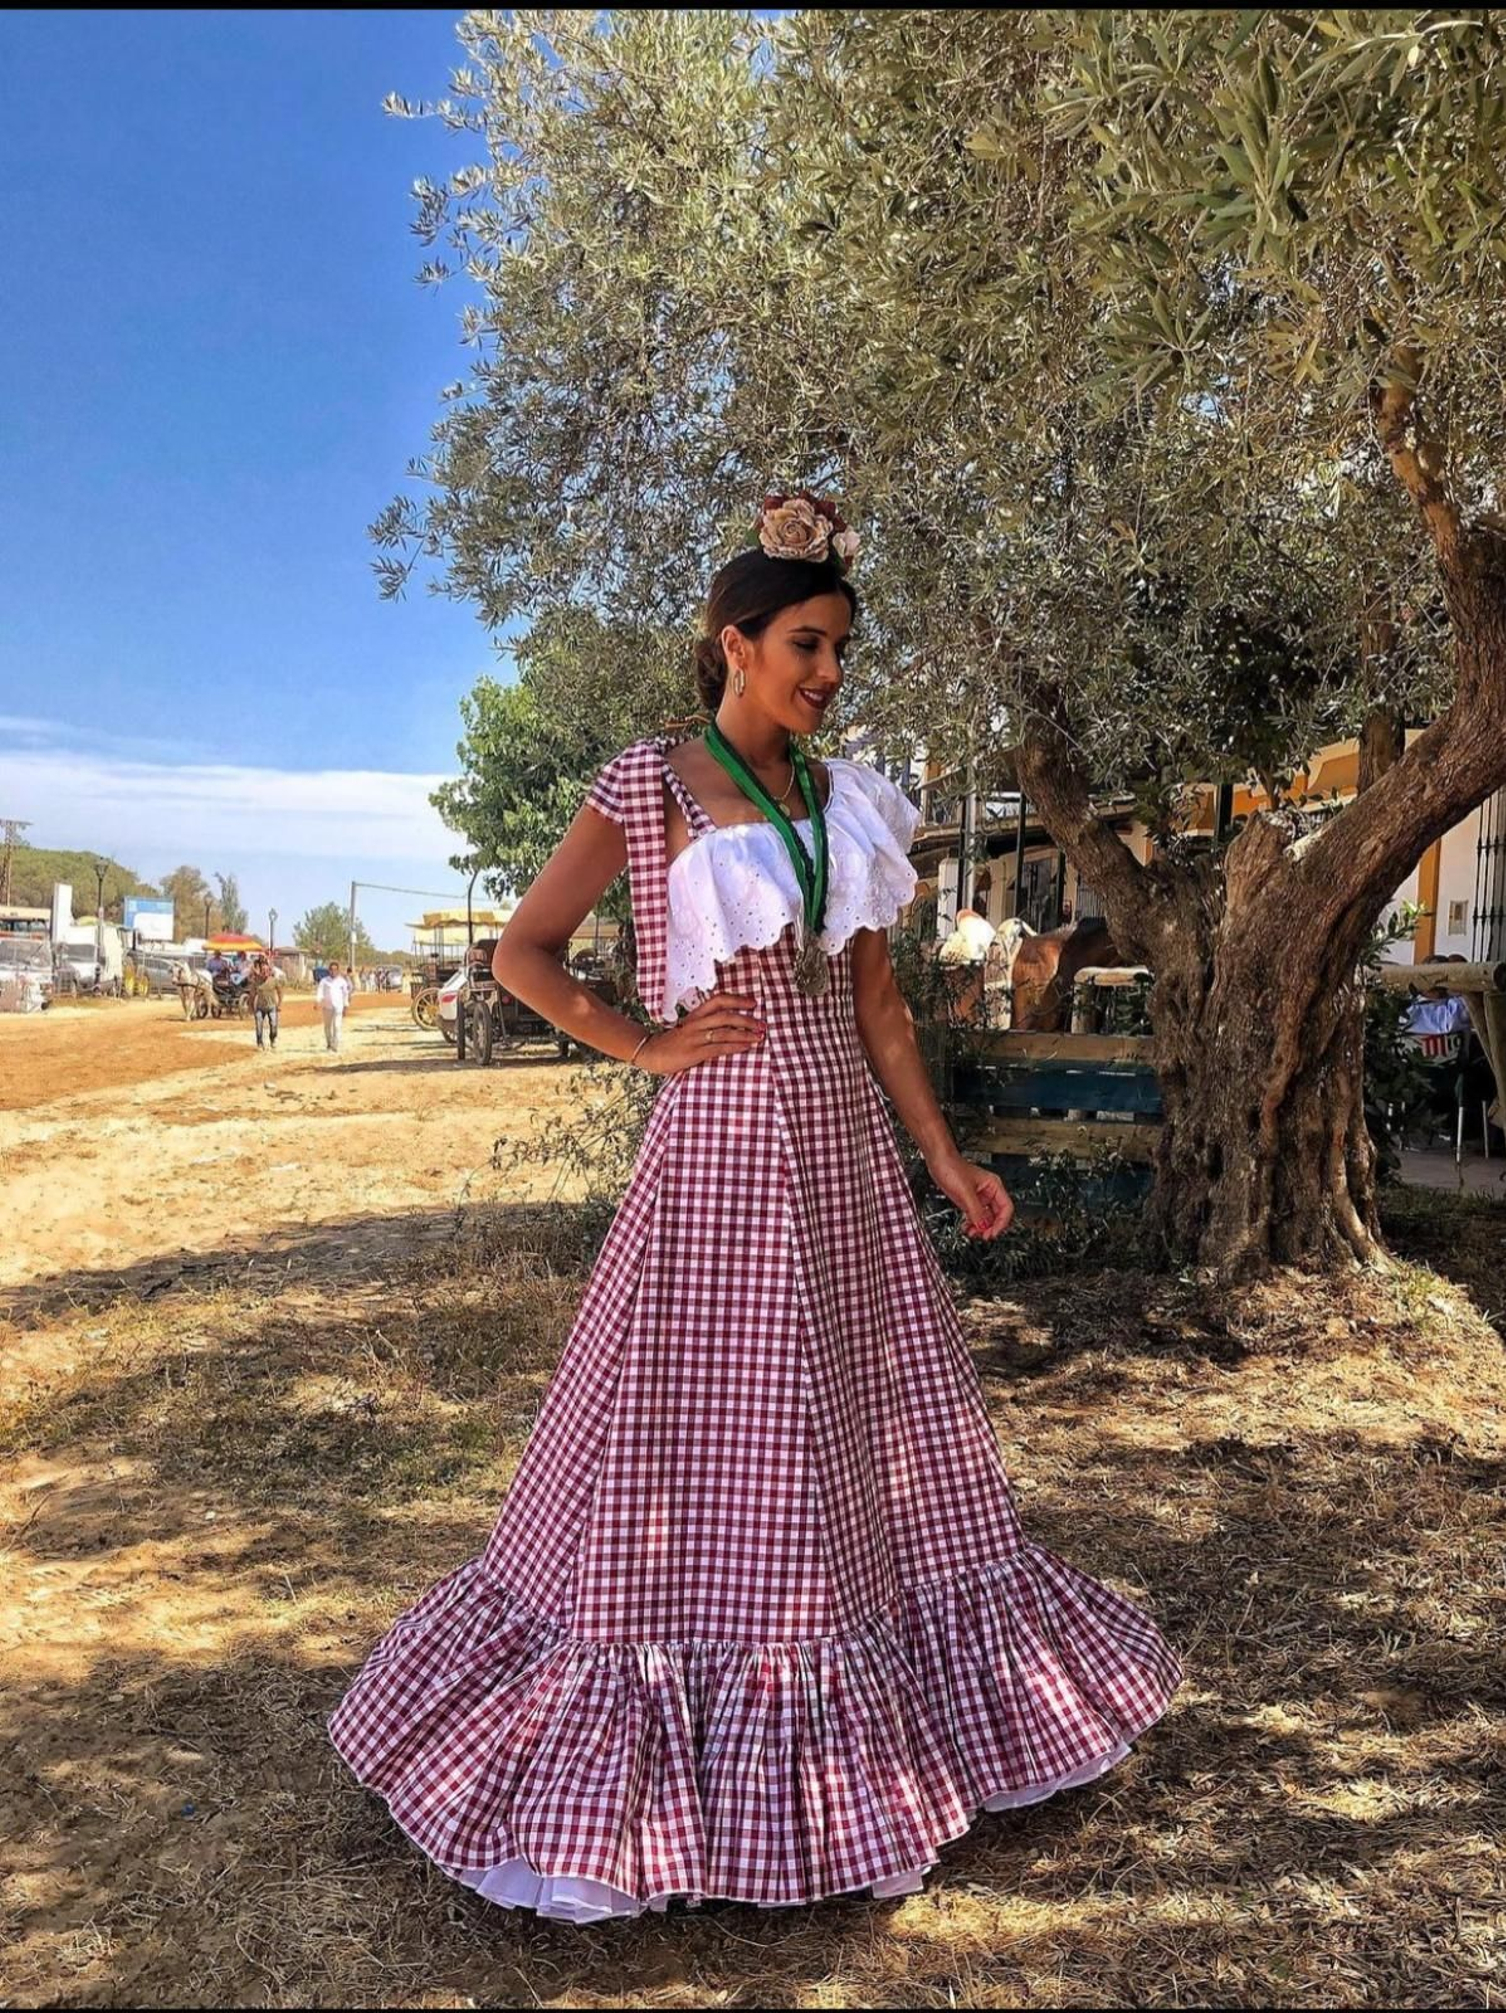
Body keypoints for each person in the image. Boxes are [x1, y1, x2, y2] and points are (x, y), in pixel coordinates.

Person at [328, 491, 1181, 1924]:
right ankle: (677, 1754)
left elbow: (880, 1006)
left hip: (841, 1162)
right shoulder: (647, 782)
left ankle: (854, 1717)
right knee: (697, 1431)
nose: (828, 673)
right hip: (719, 1158)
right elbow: (524, 954)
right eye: (806, 643)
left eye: (841, 648)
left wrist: (946, 1160)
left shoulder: (841, 798)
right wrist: (648, 1045)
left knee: (847, 1426)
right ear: (735, 642)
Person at [316, 960, 352, 1052]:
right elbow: (320, 992)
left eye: (335, 970)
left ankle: (335, 1045)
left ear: (338, 971)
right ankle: (329, 1043)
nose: (333, 971)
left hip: (338, 1007)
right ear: (329, 970)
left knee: (337, 1026)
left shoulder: (342, 982)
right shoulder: (324, 981)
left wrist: (345, 1006)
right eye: (331, 970)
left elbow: (345, 994)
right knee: (327, 1027)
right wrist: (317, 1002)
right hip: (327, 1007)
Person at [248, 955, 283, 1050]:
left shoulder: (274, 981)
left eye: (266, 971)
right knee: (259, 1025)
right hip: (260, 1007)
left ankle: (273, 1040)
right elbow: (252, 995)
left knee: (274, 1025)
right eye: (263, 971)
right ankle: (259, 1043)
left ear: (269, 972)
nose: (265, 973)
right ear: (260, 972)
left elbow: (280, 992)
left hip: (272, 1007)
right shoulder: (256, 982)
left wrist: (279, 1004)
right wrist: (250, 1007)